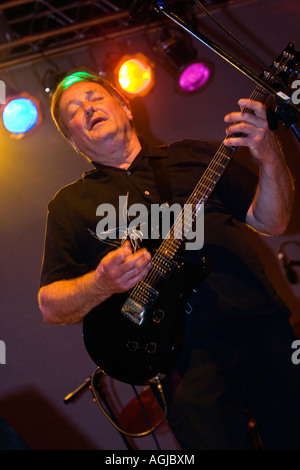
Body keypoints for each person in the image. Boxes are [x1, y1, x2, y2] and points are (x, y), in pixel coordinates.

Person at [38, 71, 300, 450]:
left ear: (125, 108)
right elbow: (50, 305)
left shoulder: (196, 155)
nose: (88, 108)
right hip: (181, 359)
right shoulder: (69, 205)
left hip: (260, 325)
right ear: (74, 141)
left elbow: (273, 223)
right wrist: (102, 283)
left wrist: (270, 157)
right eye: (74, 111)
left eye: (94, 97)